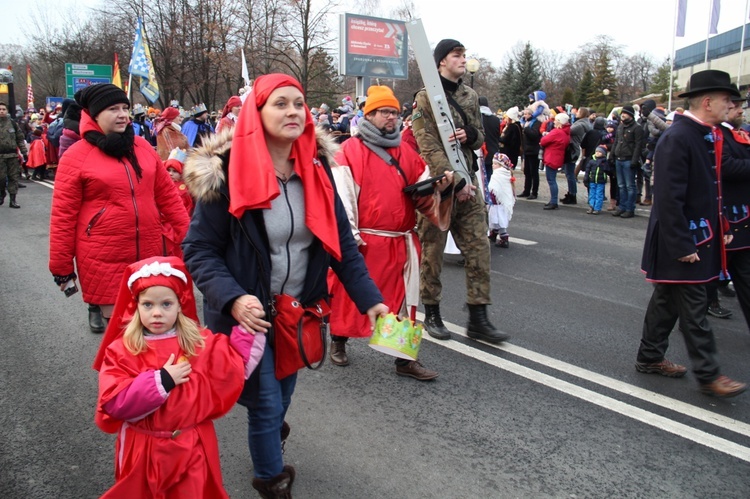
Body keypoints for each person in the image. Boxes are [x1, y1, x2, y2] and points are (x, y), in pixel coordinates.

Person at [181, 74, 388, 497]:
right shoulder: (226, 174)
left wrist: (372, 302)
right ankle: (272, 483)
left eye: (299, 103)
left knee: (282, 396)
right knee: (267, 403)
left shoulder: (316, 170)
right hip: (249, 319)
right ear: (257, 114)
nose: (293, 111)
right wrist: (235, 299)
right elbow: (199, 250)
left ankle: (270, 427)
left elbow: (342, 246)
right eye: (280, 103)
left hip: (300, 313)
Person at [93, 256, 265, 498]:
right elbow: (114, 402)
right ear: (136, 306)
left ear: (179, 304)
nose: (157, 313)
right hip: (144, 448)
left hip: (191, 447)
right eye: (148, 305)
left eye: (166, 304)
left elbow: (233, 362)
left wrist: (250, 324)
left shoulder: (198, 343)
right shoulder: (122, 350)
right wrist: (161, 381)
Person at [327, 85, 454, 380]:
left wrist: (441, 189)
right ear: (368, 115)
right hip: (364, 243)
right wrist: (350, 239)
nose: (391, 117)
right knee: (350, 296)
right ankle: (339, 340)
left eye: (395, 112)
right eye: (384, 112)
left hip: (400, 243)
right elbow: (341, 198)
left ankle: (404, 359)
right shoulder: (348, 152)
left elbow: (422, 196)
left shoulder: (406, 153)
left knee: (401, 301)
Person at [636, 69, 746, 398]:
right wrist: (682, 243)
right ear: (709, 101)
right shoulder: (679, 137)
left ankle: (650, 356)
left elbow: (711, 191)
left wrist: (723, 226)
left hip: (699, 235)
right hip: (683, 239)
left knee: (667, 300)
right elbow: (668, 197)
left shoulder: (705, 134)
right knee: (695, 308)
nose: (732, 105)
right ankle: (710, 375)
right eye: (728, 100)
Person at [49, 83, 190, 334]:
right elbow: (63, 216)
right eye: (113, 109)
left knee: (155, 331)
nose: (123, 114)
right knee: (122, 336)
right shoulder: (76, 156)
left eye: (125, 108)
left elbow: (168, 197)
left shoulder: (142, 147)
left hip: (149, 255)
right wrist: (62, 268)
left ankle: (155, 376)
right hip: (103, 259)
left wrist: (190, 240)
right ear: (93, 114)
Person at [411, 39, 509, 343]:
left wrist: (470, 135)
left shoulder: (470, 95)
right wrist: (457, 182)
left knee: (479, 248)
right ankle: (433, 313)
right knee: (432, 252)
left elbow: (480, 135)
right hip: (440, 187)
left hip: (469, 183)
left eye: (464, 55)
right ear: (441, 61)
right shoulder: (426, 99)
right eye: (457, 55)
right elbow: (426, 145)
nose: (463, 60)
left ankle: (479, 317)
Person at [612, 105, 644, 219]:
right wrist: (612, 155)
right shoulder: (620, 126)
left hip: (629, 159)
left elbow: (638, 145)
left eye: (625, 113)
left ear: (630, 115)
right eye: (622, 113)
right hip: (619, 158)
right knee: (621, 185)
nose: (622, 115)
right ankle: (622, 207)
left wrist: (634, 160)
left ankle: (630, 208)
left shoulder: (637, 128)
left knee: (630, 186)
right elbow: (616, 141)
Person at [539, 112, 571, 210]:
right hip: (557, 157)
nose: (554, 122)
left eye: (556, 120)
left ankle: (553, 201)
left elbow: (544, 141)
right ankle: (553, 200)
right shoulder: (565, 132)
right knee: (552, 180)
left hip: (551, 157)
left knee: (551, 180)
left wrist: (545, 136)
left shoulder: (557, 132)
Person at [0, 102, 28, 209]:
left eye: (3, 109)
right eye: (0, 109)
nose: (1, 111)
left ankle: (13, 200)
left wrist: (24, 152)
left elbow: (20, 139)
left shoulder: (12, 123)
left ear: (7, 111)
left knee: (13, 178)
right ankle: (2, 193)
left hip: (12, 155)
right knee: (1, 178)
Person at [562, 107, 591, 205]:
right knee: (569, 173)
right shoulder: (584, 123)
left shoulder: (580, 125)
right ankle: (571, 193)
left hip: (572, 150)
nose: (576, 113)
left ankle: (572, 194)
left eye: (578, 111)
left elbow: (567, 131)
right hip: (573, 149)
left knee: (570, 174)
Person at [487, 153, 515, 248]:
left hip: (497, 202)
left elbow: (493, 188)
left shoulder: (497, 175)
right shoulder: (507, 174)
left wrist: (489, 198)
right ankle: (493, 234)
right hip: (503, 202)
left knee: (498, 220)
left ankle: (504, 238)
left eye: (495, 164)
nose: (492, 165)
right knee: (496, 220)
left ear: (501, 165)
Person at [519, 107, 542, 199]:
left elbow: (534, 135)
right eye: (524, 114)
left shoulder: (536, 123)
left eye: (528, 114)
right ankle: (526, 190)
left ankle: (534, 192)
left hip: (533, 150)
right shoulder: (524, 123)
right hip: (526, 150)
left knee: (534, 172)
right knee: (526, 172)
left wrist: (526, 128)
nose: (525, 115)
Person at [583, 145, 609, 214]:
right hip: (592, 180)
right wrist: (586, 178)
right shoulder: (592, 161)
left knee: (599, 194)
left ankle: (597, 208)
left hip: (600, 181)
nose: (597, 153)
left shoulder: (604, 162)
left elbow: (607, 170)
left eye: (600, 152)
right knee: (592, 194)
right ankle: (591, 206)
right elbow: (587, 170)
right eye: (596, 151)